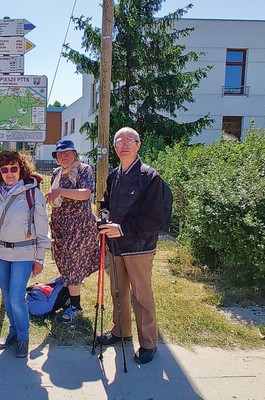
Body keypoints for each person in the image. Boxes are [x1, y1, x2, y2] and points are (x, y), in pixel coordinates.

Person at [0, 151, 51, 358]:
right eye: (4, 170)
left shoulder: (32, 193)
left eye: (14, 168)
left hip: (24, 254)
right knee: (7, 297)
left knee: (16, 298)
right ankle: (14, 331)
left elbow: (42, 228)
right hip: (0, 253)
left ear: (21, 169)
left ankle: (24, 337)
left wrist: (40, 258)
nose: (9, 173)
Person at [97, 127, 165, 365]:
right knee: (118, 292)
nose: (124, 144)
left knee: (142, 296)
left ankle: (148, 343)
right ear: (114, 148)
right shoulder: (114, 175)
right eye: (119, 141)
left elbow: (155, 216)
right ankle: (121, 331)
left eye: (130, 140)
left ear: (138, 145)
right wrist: (103, 218)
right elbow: (105, 202)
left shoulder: (149, 176)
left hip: (139, 246)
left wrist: (122, 229)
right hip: (116, 246)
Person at [44, 139, 99, 324]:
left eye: (67, 152)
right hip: (60, 227)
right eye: (60, 153)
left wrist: (59, 191)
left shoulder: (84, 169)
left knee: (74, 266)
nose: (63, 156)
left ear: (74, 154)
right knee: (65, 265)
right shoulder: (56, 173)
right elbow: (55, 198)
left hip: (80, 228)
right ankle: (68, 299)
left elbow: (84, 193)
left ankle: (75, 306)